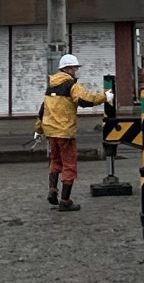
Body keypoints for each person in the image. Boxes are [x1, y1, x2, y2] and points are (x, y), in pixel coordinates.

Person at [38, 54, 109, 211]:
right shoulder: (71, 85)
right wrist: (105, 97)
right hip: (65, 132)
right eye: (75, 68)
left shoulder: (51, 86)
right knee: (69, 166)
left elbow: (43, 110)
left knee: (55, 162)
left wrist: (38, 129)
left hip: (51, 132)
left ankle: (52, 190)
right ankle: (65, 201)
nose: (76, 71)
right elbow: (85, 100)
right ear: (68, 69)